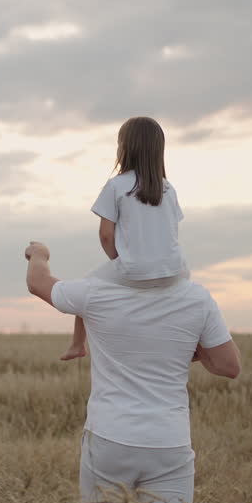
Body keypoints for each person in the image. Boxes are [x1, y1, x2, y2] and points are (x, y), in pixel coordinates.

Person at [24, 239, 241, 503]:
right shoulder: (196, 298)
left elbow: (38, 283)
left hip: (109, 440)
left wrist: (39, 253)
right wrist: (183, 350)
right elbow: (229, 366)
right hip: (169, 444)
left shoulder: (98, 292)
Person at [63, 116, 189, 362]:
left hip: (134, 269)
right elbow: (172, 231)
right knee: (187, 296)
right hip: (174, 269)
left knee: (85, 287)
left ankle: (77, 344)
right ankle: (198, 344)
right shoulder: (168, 188)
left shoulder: (116, 185)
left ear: (125, 148)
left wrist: (119, 261)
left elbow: (106, 235)